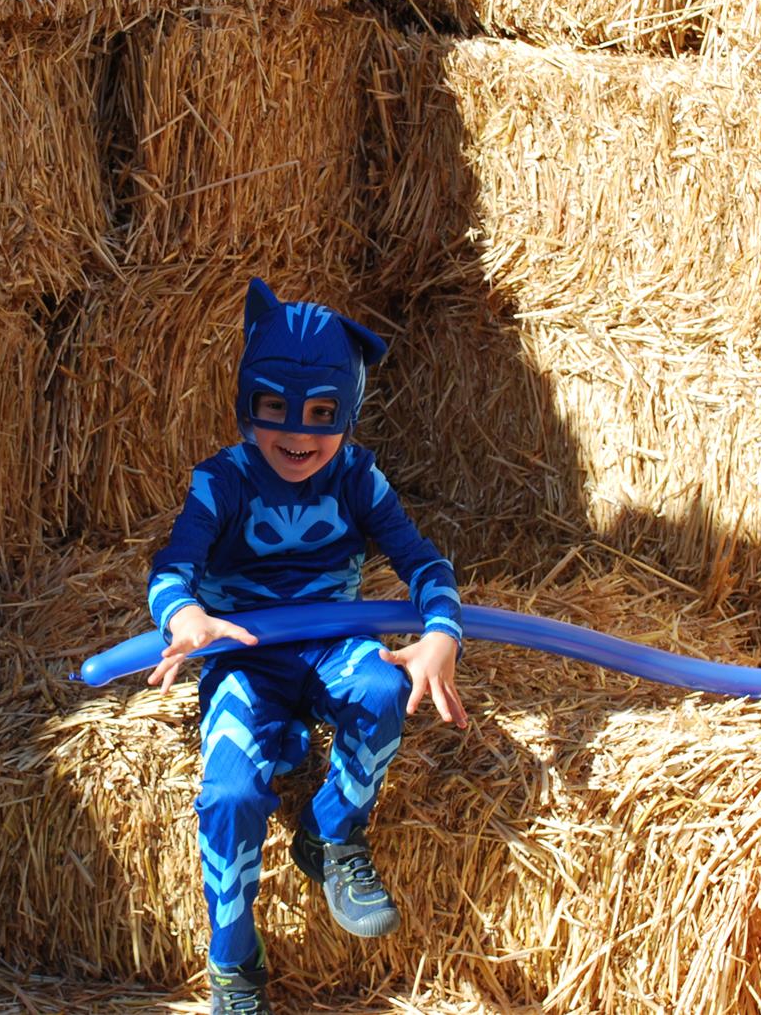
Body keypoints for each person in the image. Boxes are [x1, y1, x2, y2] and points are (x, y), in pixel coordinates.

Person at [144, 277, 470, 1015]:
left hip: (332, 642)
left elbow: (425, 564)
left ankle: (332, 834)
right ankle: (233, 960)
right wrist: (184, 613)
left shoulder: (359, 477)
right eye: (275, 408)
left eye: (323, 413)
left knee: (385, 687)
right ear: (246, 403)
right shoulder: (220, 480)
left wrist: (440, 634)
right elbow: (172, 565)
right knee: (228, 793)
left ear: (347, 412)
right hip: (245, 659)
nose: (299, 433)